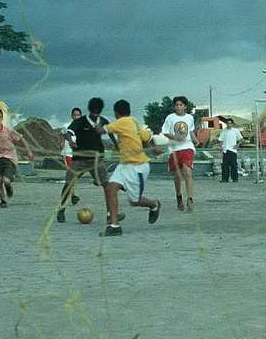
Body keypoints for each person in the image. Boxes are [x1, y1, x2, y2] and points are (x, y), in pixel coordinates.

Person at [100, 99, 161, 235]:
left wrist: (93, 123)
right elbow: (149, 136)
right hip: (124, 165)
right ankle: (114, 226)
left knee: (135, 201)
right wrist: (154, 148)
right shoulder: (134, 122)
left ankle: (154, 205)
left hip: (138, 167)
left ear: (116, 113)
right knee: (110, 188)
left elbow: (101, 130)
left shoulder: (123, 122)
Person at [56, 98, 109, 222]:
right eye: (93, 112)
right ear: (90, 110)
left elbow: (111, 132)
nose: (96, 114)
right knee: (69, 182)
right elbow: (69, 133)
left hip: (97, 159)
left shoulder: (103, 121)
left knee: (107, 186)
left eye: (98, 112)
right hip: (80, 159)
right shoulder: (80, 121)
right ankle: (62, 208)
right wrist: (71, 141)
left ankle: (110, 214)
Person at [0, 107, 33, 209]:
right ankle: (3, 201)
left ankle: (8, 187)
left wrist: (28, 151)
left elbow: (21, 138)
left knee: (6, 180)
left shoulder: (8, 131)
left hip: (9, 157)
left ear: (2, 118)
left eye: (0, 117)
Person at [160, 96, 197, 211]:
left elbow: (190, 131)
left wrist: (195, 139)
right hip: (175, 148)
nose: (178, 107)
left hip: (187, 147)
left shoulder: (190, 118)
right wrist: (175, 137)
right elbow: (165, 132)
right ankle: (178, 196)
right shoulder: (170, 118)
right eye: (177, 105)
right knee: (177, 174)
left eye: (181, 105)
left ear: (185, 106)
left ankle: (190, 199)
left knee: (187, 171)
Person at [217, 116, 242, 182]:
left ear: (232, 124)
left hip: (232, 150)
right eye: (228, 123)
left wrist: (237, 145)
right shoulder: (224, 131)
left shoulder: (235, 131)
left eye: (230, 123)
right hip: (225, 150)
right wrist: (221, 146)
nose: (229, 125)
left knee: (233, 165)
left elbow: (240, 138)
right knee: (225, 166)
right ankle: (225, 179)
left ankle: (235, 178)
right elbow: (220, 139)